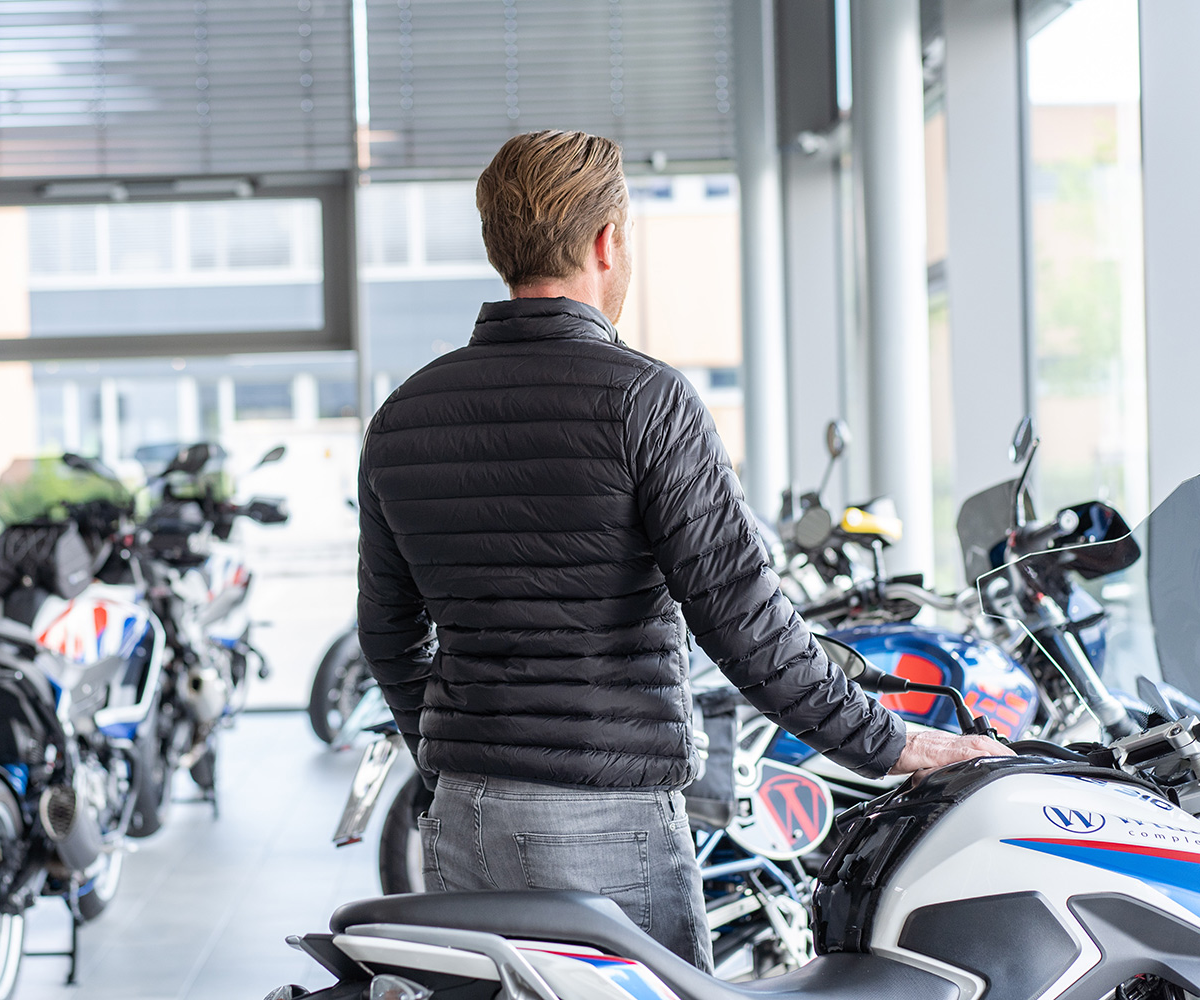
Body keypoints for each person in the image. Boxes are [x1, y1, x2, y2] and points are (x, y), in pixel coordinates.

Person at [356, 129, 1011, 972]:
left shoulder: (403, 417)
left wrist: (456, 754)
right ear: (607, 241)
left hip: (461, 818)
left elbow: (388, 631)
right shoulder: (645, 401)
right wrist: (895, 744)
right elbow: (742, 621)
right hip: (603, 820)